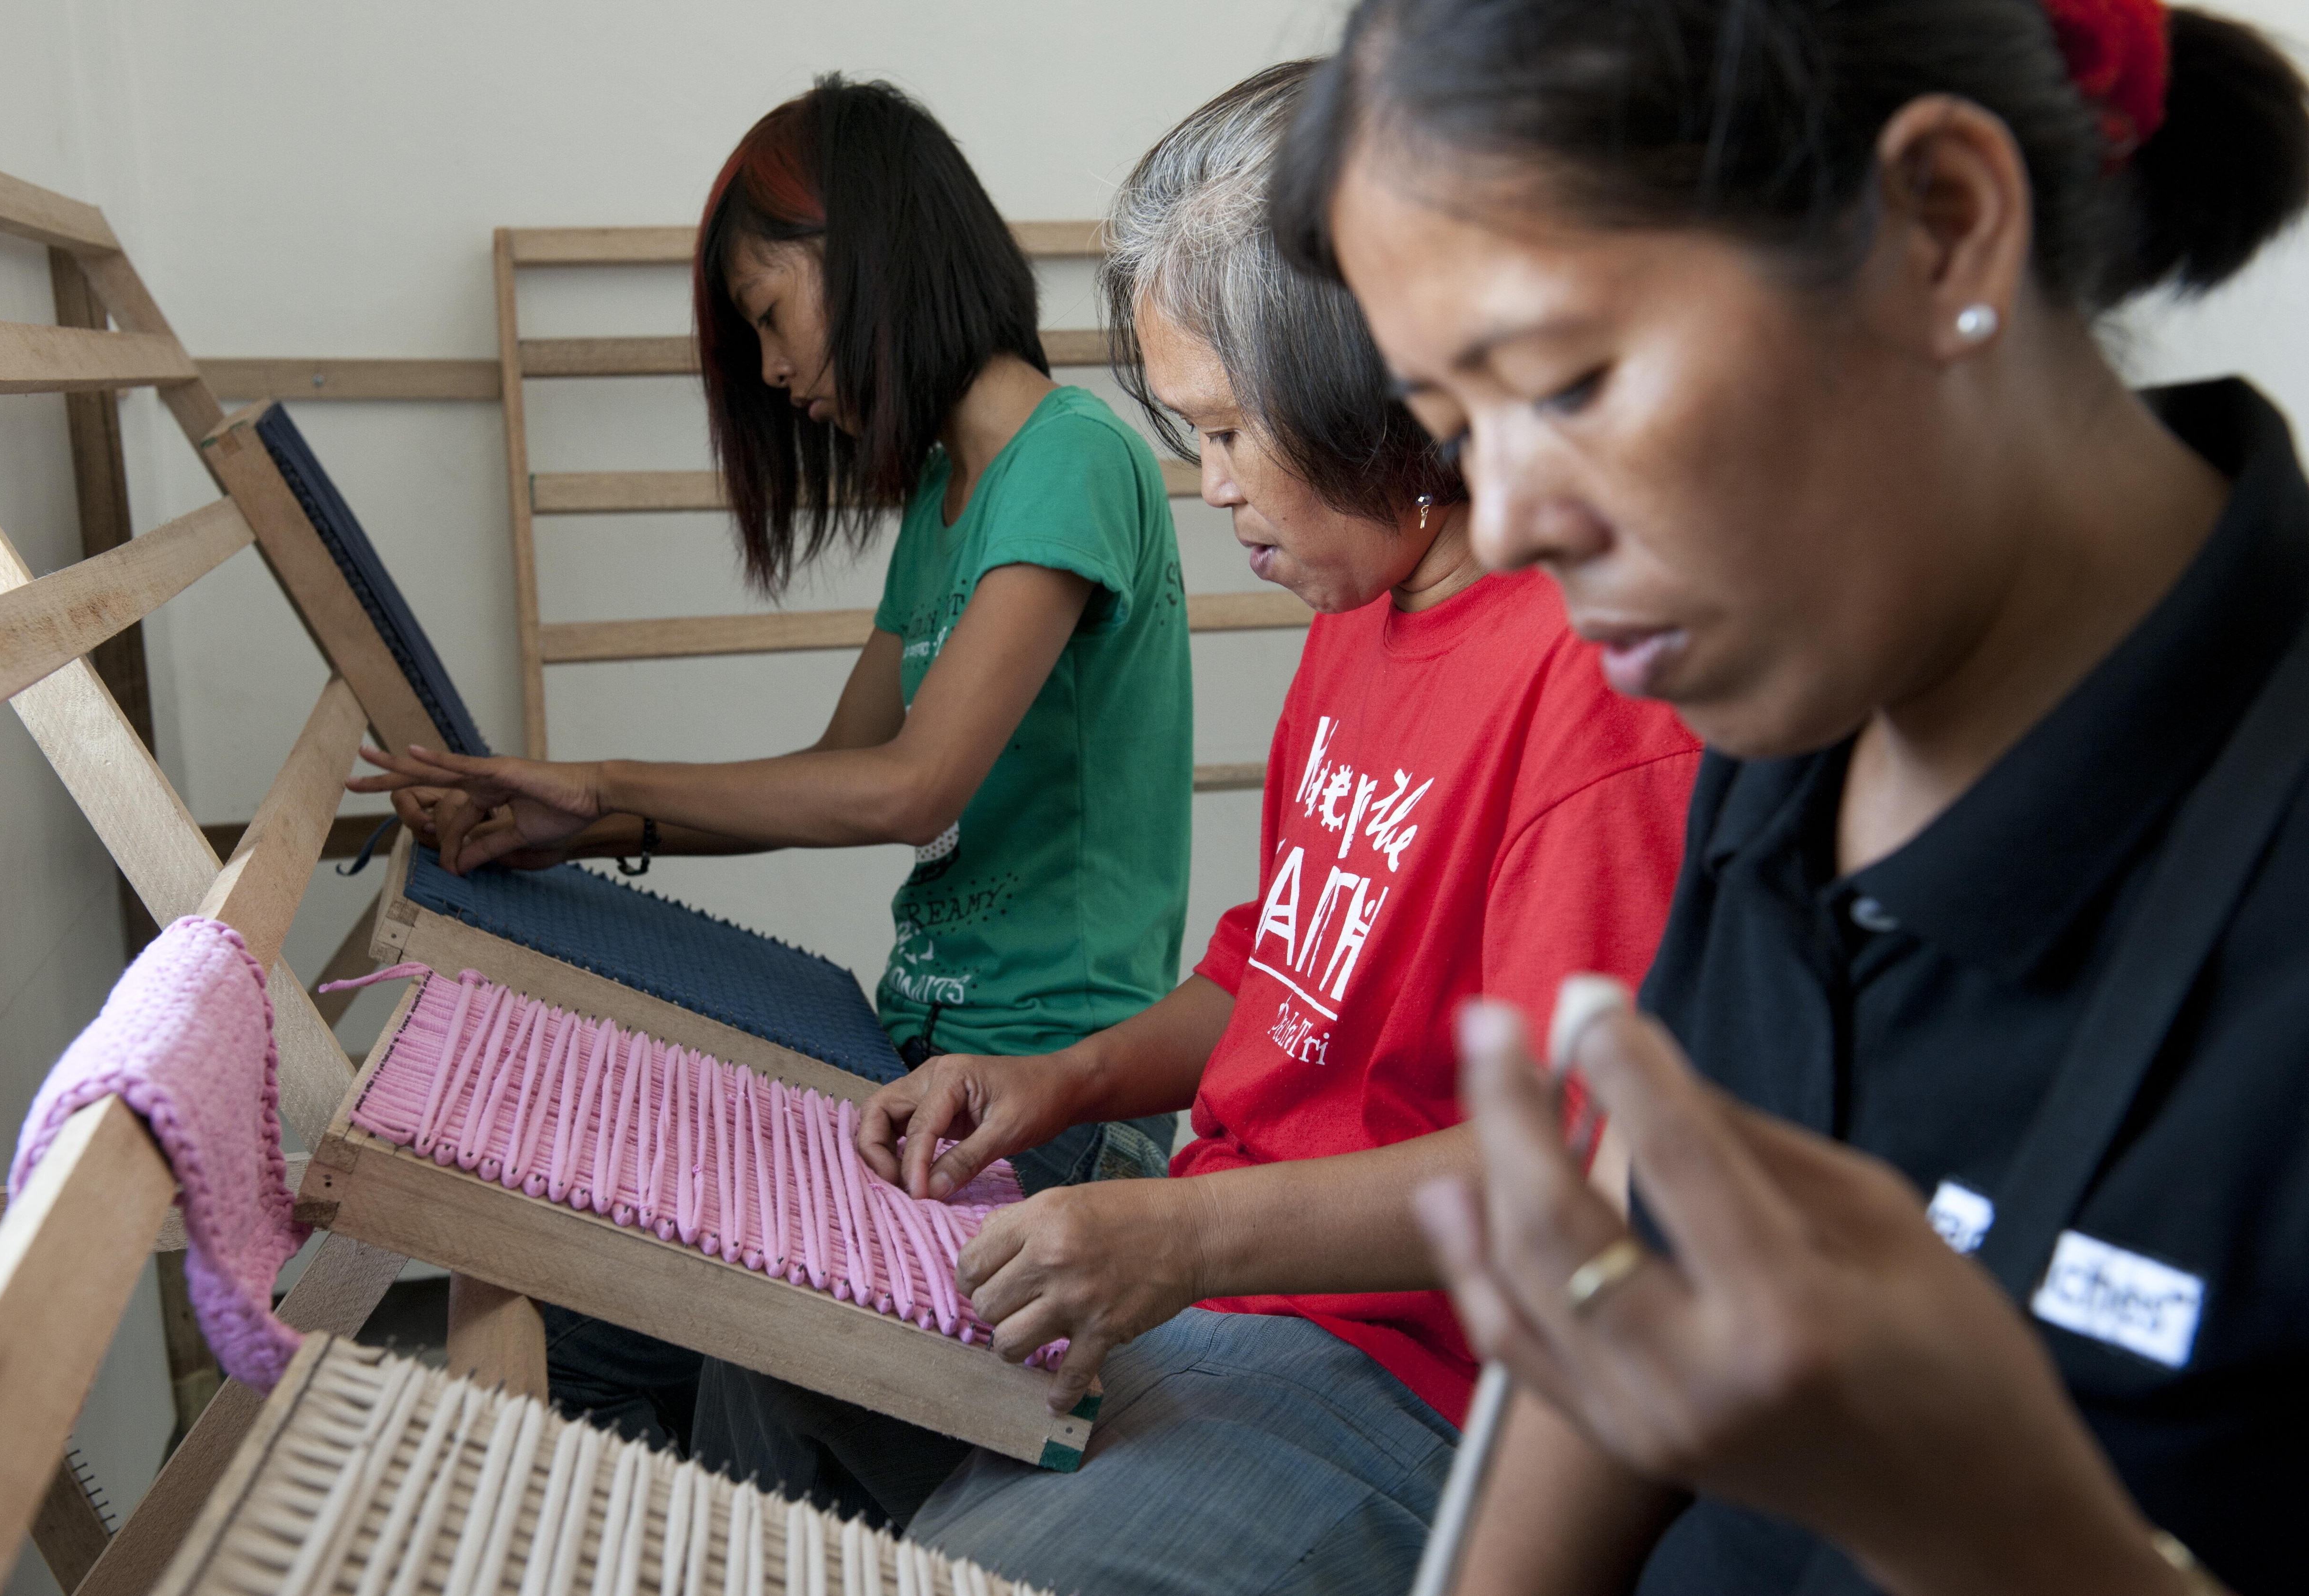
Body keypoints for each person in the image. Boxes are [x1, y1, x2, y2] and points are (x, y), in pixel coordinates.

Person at [1273, 0, 2309, 1592]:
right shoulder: (1786, 698)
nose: (1510, 519)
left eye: (1566, 382)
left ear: (1943, 226)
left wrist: (1996, 1524)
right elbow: (1615, 1320)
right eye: (1451, 430)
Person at [799, 63, 1696, 1592]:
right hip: (1223, 1288)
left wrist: (1180, 1241)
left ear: (1391, 390)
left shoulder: (1599, 687)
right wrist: (1055, 1079)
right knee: (771, 1360)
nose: (1209, 489)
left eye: (1231, 431)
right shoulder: (1362, 604)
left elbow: (1576, 1179)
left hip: (1407, 1379)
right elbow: (1266, 978)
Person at [351, 76, 1193, 1446]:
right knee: (588, 1332)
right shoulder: (949, 494)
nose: (771, 369)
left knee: (758, 1373)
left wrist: (604, 776)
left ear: (859, 256)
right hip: (924, 1067)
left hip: (1053, 1103)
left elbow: (911, 789)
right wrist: (581, 826)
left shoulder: (1071, 457)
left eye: (768, 314)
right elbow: (834, 771)